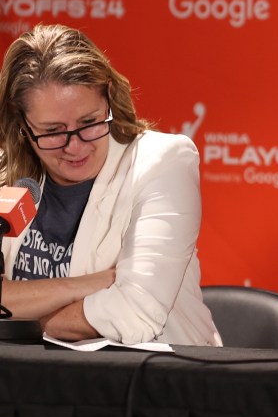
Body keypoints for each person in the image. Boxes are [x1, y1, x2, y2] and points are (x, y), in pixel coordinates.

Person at [0, 24, 221, 346]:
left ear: (109, 99)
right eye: (53, 131)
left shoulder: (162, 161)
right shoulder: (6, 171)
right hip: (25, 373)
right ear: (22, 124)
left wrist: (21, 323)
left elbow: (135, 313)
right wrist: (89, 284)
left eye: (89, 122)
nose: (75, 146)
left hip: (150, 371)